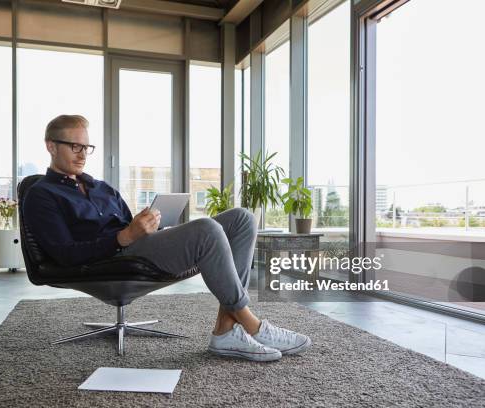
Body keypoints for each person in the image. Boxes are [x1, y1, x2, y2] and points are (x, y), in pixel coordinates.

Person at [23, 114, 312, 362]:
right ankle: (252, 324)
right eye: (74, 146)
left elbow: (126, 224)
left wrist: (146, 227)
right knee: (207, 229)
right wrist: (123, 238)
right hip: (111, 257)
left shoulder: (101, 188)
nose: (82, 154)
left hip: (135, 245)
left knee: (242, 219)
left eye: (87, 146)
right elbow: (64, 254)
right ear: (51, 146)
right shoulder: (42, 194)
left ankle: (225, 330)